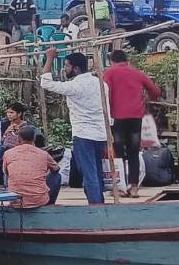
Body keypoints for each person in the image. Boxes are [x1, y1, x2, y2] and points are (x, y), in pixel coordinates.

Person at [41, 48, 108, 204]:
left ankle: (96, 204)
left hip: (84, 135)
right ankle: (98, 201)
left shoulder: (75, 86)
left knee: (89, 172)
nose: (65, 69)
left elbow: (45, 82)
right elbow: (107, 109)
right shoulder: (101, 84)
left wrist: (50, 58)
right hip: (101, 133)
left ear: (76, 68)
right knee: (96, 170)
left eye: (66, 66)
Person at [103, 49, 161, 197]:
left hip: (117, 118)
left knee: (118, 153)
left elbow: (104, 93)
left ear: (112, 61)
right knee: (133, 152)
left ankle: (121, 187)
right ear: (126, 60)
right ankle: (134, 187)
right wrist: (146, 98)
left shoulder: (109, 73)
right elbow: (155, 91)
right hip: (136, 117)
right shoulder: (137, 73)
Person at [2, 126, 61, 208]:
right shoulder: (43, 154)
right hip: (39, 200)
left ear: (18, 139)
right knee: (57, 176)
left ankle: (14, 193)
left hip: (15, 201)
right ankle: (50, 204)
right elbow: (56, 169)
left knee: (7, 174)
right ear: (34, 139)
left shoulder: (8, 153)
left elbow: (6, 172)